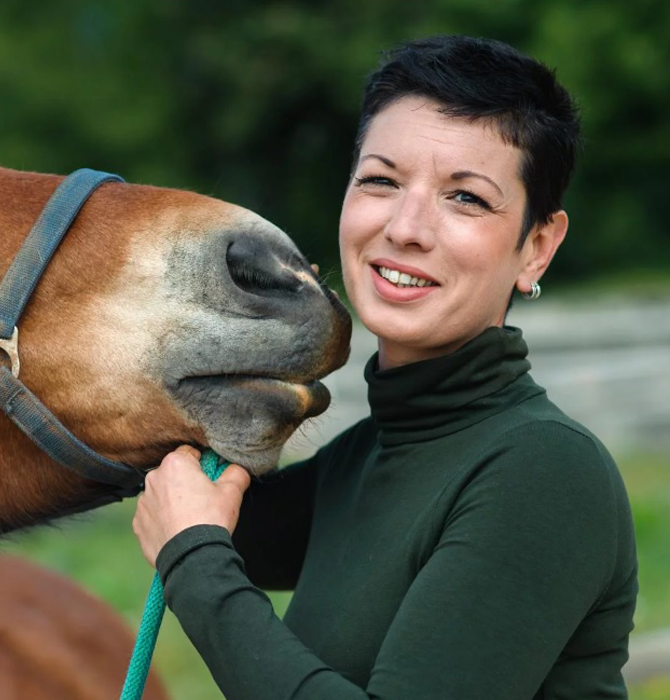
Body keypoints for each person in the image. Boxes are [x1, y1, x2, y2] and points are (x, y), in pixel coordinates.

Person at [132, 35, 637, 700]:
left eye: (466, 198)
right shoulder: (370, 456)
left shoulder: (545, 472)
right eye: (381, 180)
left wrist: (196, 562)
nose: (406, 227)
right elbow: (200, 502)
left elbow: (199, 539)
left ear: (537, 247)